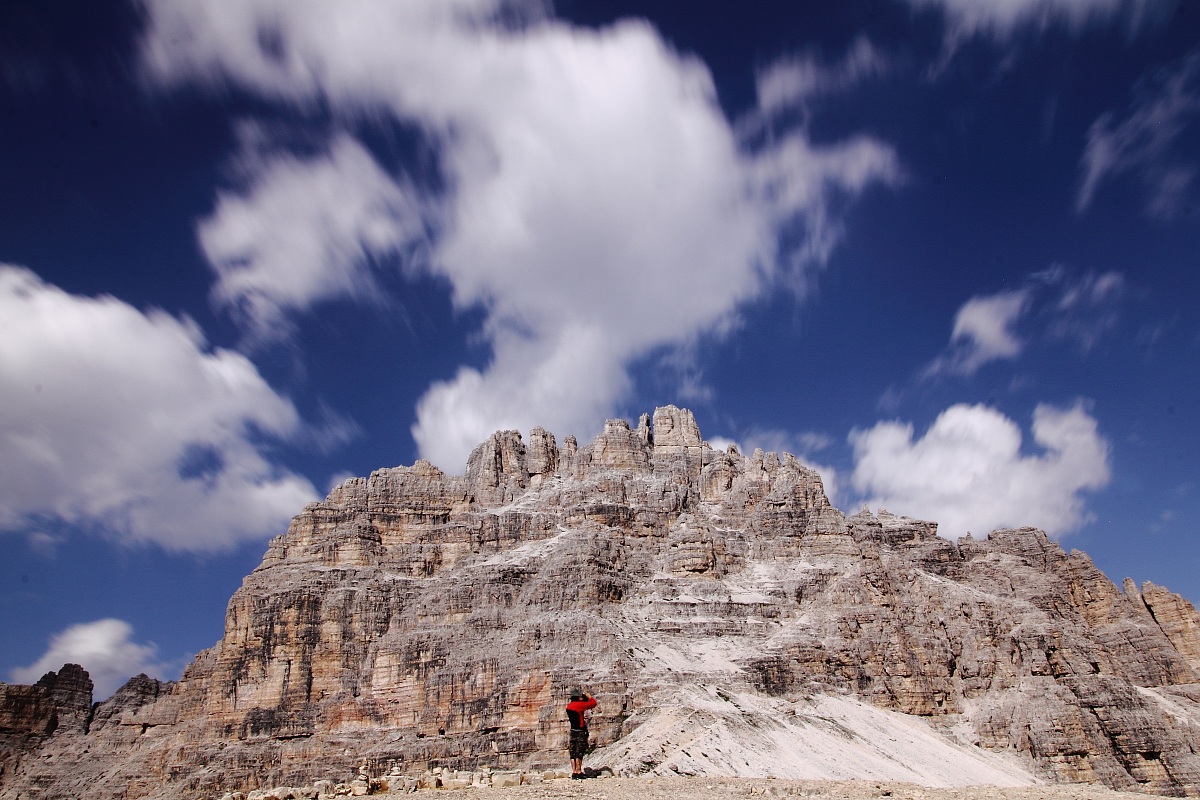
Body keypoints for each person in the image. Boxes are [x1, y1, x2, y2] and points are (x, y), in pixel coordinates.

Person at [565, 688, 598, 778]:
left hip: (572, 731)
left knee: (573, 752)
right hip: (580, 731)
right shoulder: (579, 705)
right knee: (579, 751)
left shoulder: (569, 706)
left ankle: (574, 771)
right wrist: (589, 697)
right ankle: (579, 771)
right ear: (577, 697)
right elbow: (593, 703)